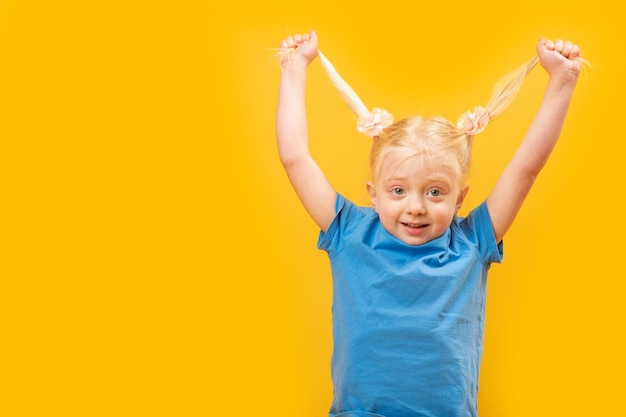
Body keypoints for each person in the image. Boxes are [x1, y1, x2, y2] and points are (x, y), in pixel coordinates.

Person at [275, 30, 582, 417]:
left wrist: (563, 80)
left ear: (460, 198)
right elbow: (295, 158)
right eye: (398, 191)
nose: (416, 207)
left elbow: (526, 168)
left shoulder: (472, 242)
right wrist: (293, 68)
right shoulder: (349, 232)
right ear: (373, 194)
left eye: (435, 192)